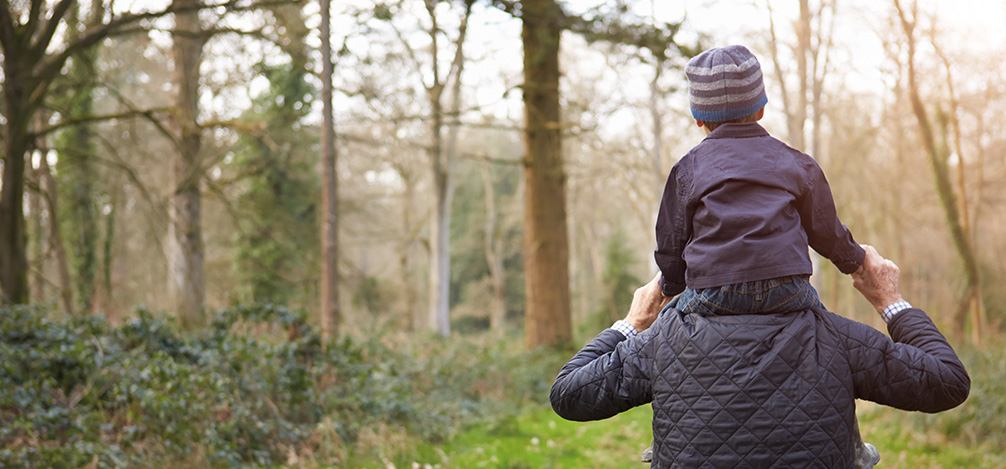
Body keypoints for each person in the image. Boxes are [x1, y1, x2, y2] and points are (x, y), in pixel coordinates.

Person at [550, 245, 970, 468]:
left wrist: (633, 321)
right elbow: (946, 382)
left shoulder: (663, 341)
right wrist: (890, 301)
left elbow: (568, 393)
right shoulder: (836, 338)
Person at [654, 44, 864, 320]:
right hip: (787, 288)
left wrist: (671, 284)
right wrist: (855, 261)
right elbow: (826, 231)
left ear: (698, 118)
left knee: (666, 325)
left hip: (714, 290)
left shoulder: (687, 170)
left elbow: (671, 240)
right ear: (762, 109)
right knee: (827, 329)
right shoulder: (797, 164)